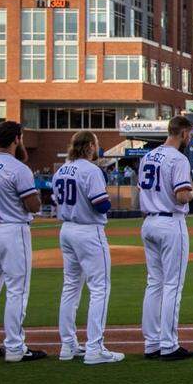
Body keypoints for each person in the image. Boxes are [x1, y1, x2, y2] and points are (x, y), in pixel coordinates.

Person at [0, 121, 46, 362]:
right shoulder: (18, 168)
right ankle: (15, 347)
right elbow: (33, 205)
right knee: (17, 291)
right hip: (13, 231)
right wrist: (36, 199)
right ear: (16, 139)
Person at [53, 131, 123, 365]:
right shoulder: (91, 170)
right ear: (90, 146)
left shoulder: (62, 169)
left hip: (67, 229)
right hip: (88, 230)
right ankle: (95, 348)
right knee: (100, 288)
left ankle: (67, 345)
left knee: (70, 286)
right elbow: (101, 204)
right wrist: (108, 199)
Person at [139, 116, 193, 361]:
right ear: (183, 133)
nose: (191, 139)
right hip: (170, 221)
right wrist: (192, 190)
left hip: (149, 220)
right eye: (190, 134)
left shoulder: (147, 156)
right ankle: (169, 344)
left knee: (154, 283)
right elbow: (183, 195)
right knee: (173, 284)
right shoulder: (178, 158)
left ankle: (151, 343)